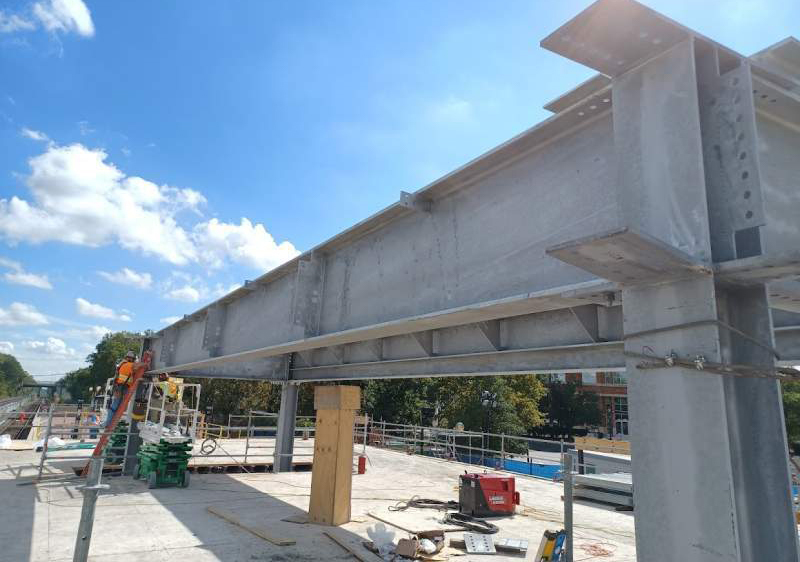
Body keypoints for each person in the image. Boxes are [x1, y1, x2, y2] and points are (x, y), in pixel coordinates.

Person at [105, 351, 136, 428]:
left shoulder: (121, 364)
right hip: (123, 387)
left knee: (115, 405)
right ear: (132, 359)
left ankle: (109, 422)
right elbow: (138, 366)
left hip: (118, 387)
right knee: (117, 405)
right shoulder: (129, 365)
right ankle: (109, 422)